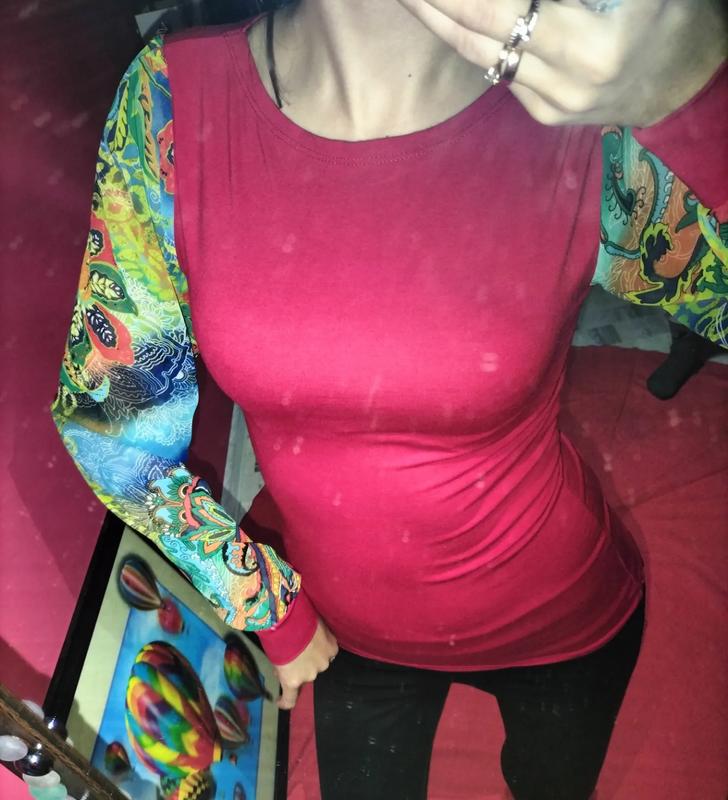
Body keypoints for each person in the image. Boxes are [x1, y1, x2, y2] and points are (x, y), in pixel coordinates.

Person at [51, 1, 727, 797]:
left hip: (560, 621)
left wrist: (694, 96)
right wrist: (264, 601)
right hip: (345, 633)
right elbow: (110, 425)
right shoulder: (171, 100)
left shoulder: (586, 125)